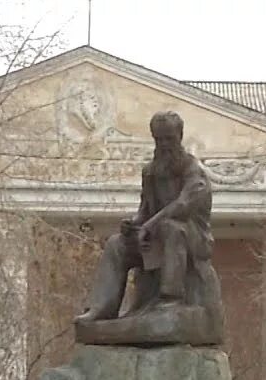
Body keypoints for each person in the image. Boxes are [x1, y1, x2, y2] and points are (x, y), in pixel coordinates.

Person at [75, 110, 222, 323]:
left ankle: (170, 299)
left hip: (192, 239)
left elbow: (182, 205)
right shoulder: (151, 171)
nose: (163, 144)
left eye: (168, 139)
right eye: (159, 139)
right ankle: (102, 307)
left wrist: (150, 225)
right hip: (155, 234)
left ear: (180, 136)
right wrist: (134, 223)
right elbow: (145, 208)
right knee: (117, 244)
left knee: (171, 227)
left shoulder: (193, 169)